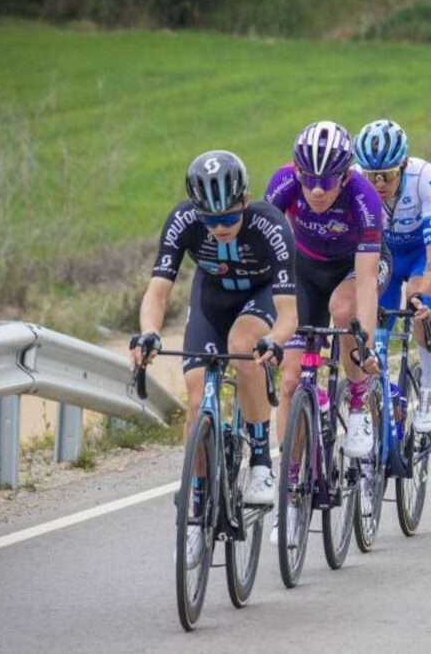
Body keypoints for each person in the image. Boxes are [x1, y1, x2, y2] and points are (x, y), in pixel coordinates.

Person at [131, 150, 297, 564]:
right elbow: (157, 292)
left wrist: (274, 340)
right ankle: (197, 510)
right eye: (210, 220)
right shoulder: (183, 220)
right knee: (194, 395)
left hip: (260, 299)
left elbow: (290, 313)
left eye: (228, 218)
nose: (220, 227)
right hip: (211, 300)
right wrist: (149, 332)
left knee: (243, 347)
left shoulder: (270, 225)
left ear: (245, 200)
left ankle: (260, 459)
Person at [265, 121, 384, 464]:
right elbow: (264, 250)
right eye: (310, 179)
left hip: (353, 266)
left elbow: (365, 282)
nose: (317, 190)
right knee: (290, 380)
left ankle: (359, 404)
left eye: (328, 180)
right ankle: (290, 486)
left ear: (345, 176)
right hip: (306, 269)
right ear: (298, 172)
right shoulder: (282, 184)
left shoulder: (364, 197)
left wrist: (368, 344)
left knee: (343, 308)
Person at [354, 119, 431, 432]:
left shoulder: (424, 176)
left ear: (404, 165)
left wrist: (428, 291)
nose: (379, 183)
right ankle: (377, 412)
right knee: (374, 325)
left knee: (416, 299)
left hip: (422, 251)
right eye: (372, 175)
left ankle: (430, 386)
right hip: (383, 254)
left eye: (387, 174)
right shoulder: (355, 180)